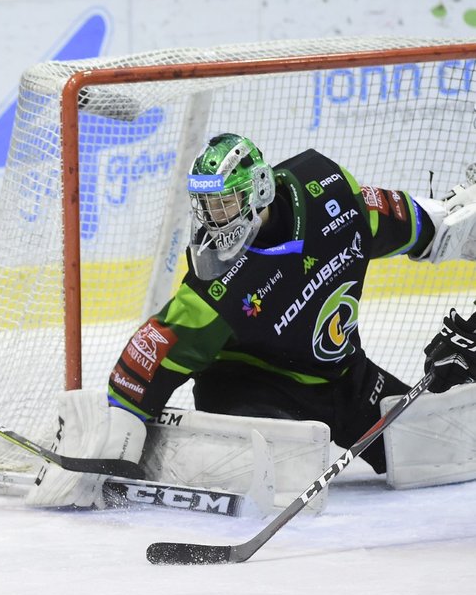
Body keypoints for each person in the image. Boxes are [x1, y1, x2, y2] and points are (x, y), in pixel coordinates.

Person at [28, 132, 476, 508]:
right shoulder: (220, 286)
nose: (212, 220)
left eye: (223, 204)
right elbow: (156, 350)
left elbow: (420, 225)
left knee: (445, 446)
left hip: (345, 376)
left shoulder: (332, 198)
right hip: (253, 387)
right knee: (284, 475)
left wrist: (453, 226)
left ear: (260, 189)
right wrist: (114, 441)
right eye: (206, 205)